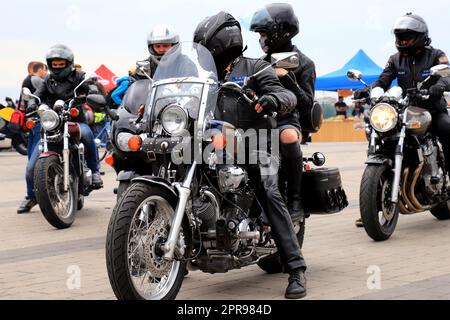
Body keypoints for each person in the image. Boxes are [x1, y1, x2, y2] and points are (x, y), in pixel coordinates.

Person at [194, 11, 307, 299]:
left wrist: (272, 99)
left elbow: (288, 97)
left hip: (256, 143)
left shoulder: (256, 67)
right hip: (214, 143)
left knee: (268, 191)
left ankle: (295, 269)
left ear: (220, 45)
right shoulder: (203, 74)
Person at [355, 13, 450, 228]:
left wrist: (439, 86)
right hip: (404, 110)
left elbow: (447, 75)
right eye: (401, 37)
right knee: (379, 137)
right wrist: (371, 90)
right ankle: (371, 205)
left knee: (446, 128)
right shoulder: (395, 59)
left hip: (432, 110)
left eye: (408, 37)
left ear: (420, 36)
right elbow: (383, 78)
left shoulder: (436, 55)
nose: (404, 41)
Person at [249, 2, 315, 274]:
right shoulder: (257, 63)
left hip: (288, 120)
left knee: (287, 136)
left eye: (264, 33)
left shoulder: (304, 62)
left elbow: (307, 104)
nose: (261, 39)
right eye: (259, 34)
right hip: (258, 120)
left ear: (281, 32)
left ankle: (296, 198)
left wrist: (288, 81)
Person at [27, 44, 104, 190]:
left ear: (69, 63)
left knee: (87, 135)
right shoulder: (48, 80)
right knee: (32, 166)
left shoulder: (79, 76)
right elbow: (37, 94)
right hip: (53, 123)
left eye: (61, 64)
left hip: (75, 120)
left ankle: (94, 171)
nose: (57, 67)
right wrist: (32, 102)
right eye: (54, 64)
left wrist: (93, 92)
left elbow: (91, 86)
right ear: (49, 64)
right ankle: (33, 195)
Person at [109, 25, 180, 106]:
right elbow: (136, 84)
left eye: (165, 45)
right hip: (150, 108)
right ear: (152, 47)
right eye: (157, 46)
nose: (161, 49)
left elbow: (193, 89)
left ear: (174, 45)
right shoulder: (145, 65)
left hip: (179, 108)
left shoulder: (185, 64)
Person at [17, 61, 48, 214]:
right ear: (40, 70)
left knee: (32, 160)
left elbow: (22, 105)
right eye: (45, 70)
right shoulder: (37, 80)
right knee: (33, 164)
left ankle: (32, 195)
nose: (46, 74)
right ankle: (32, 195)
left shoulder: (25, 81)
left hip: (31, 124)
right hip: (40, 123)